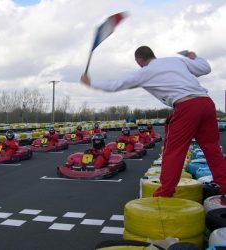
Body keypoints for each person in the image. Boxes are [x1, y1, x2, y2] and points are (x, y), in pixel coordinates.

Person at [81, 45, 226, 201]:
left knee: (173, 151)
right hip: (207, 103)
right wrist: (193, 57)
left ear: (139, 60)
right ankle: (224, 187)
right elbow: (205, 68)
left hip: (186, 106)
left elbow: (117, 85)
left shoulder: (145, 72)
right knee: (212, 149)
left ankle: (165, 194)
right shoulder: (175, 61)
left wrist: (91, 83)